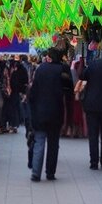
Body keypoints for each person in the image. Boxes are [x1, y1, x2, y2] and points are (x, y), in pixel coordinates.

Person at [28, 47, 73, 182]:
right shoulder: (63, 70)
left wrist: (32, 110)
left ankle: (36, 173)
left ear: (49, 57)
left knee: (39, 141)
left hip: (40, 112)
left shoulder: (40, 69)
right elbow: (69, 90)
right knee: (53, 144)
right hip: (56, 112)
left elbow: (33, 92)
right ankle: (50, 173)